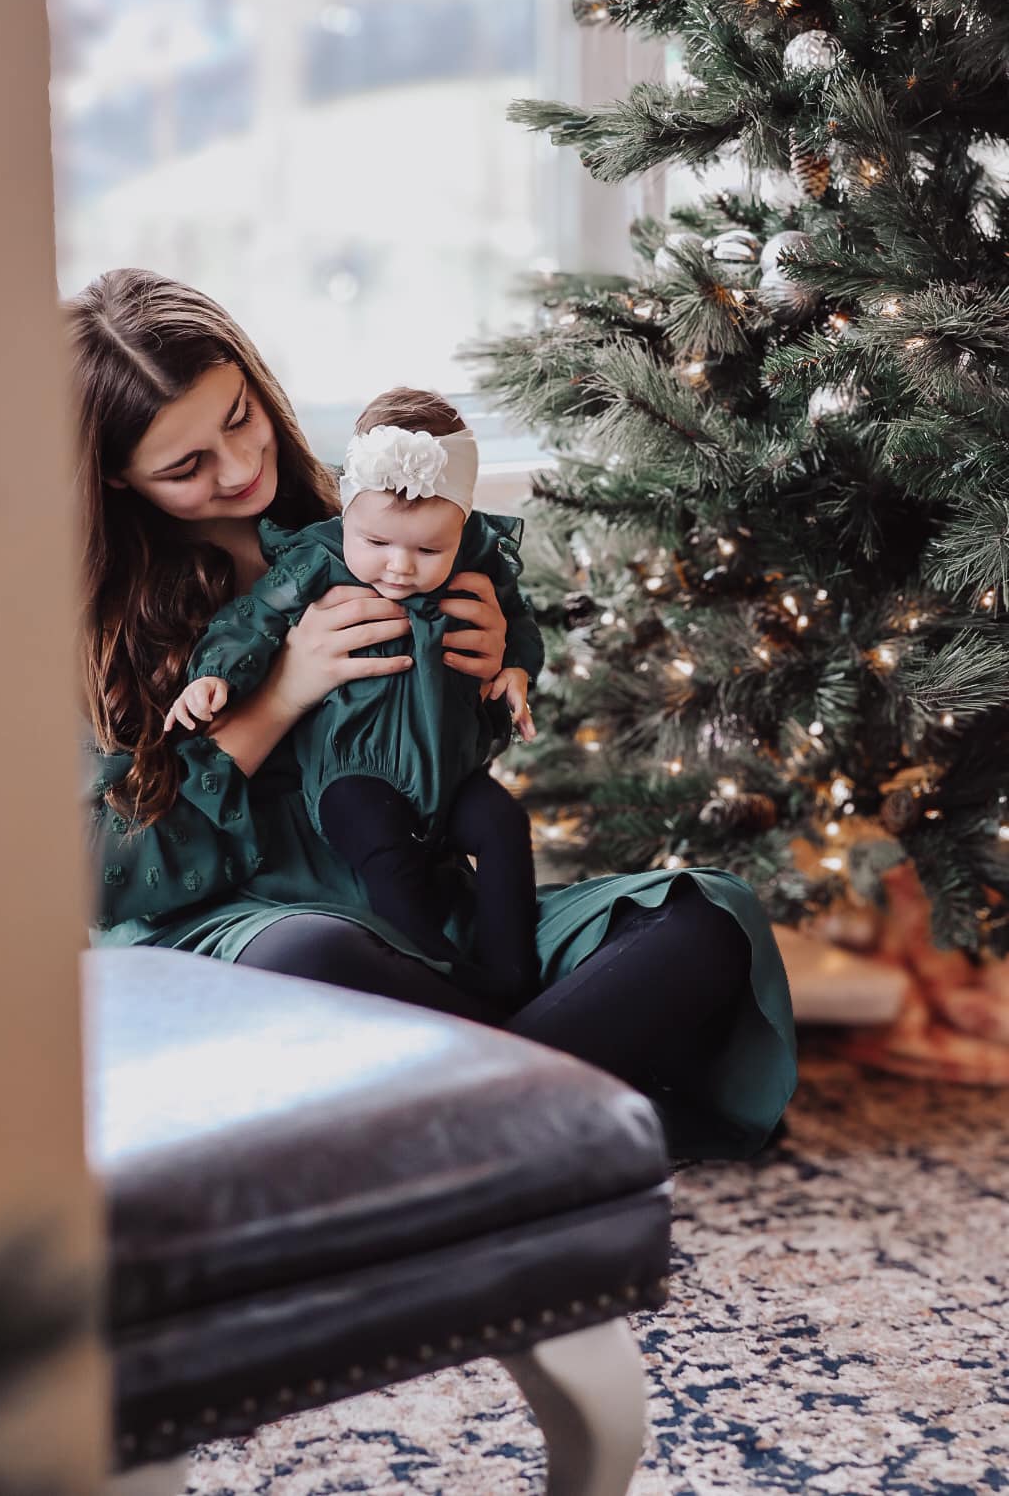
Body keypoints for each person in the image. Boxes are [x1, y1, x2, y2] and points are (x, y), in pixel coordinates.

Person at [73, 267, 797, 1162]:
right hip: (247, 936)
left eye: (239, 419)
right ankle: (567, 1094)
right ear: (113, 476)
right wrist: (280, 695)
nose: (238, 468)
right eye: (186, 466)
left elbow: (448, 772)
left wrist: (486, 674)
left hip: (426, 921)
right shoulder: (85, 630)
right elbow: (103, 877)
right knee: (307, 962)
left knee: (705, 919)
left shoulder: (389, 527)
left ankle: (475, 1120)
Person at [163, 388, 544, 1006]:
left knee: (503, 822)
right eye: (378, 543)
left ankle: (512, 973)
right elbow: (251, 621)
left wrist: (515, 670)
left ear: (463, 524)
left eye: (427, 550)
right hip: (353, 769)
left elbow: (518, 623)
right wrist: (217, 677)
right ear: (347, 510)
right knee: (381, 851)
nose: (399, 567)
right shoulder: (320, 559)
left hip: (446, 771)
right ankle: (438, 976)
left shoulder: (477, 558)